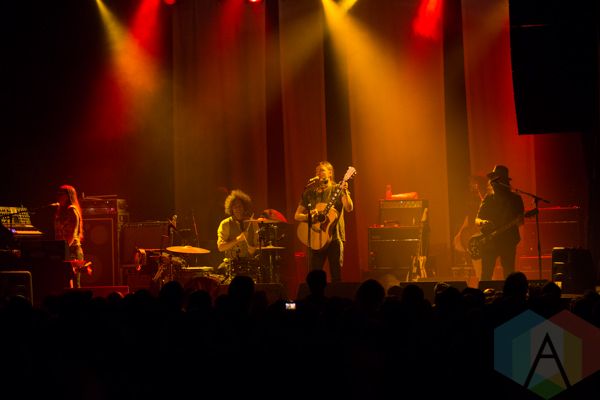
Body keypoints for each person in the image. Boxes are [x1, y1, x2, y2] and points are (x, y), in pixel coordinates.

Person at [294, 161, 353, 283]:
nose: (318, 173)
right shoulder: (310, 193)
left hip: (335, 238)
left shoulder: (337, 189)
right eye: (316, 171)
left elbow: (349, 208)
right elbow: (297, 216)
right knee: (314, 277)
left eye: (322, 170)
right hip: (316, 237)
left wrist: (344, 192)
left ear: (330, 173)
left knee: (335, 276)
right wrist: (310, 216)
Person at [475, 165, 524, 280]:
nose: (492, 182)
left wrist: (520, 221)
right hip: (490, 241)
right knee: (486, 274)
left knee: (509, 274)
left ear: (504, 182)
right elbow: (477, 219)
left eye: (496, 179)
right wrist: (483, 222)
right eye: (492, 179)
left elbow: (520, 222)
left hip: (508, 240)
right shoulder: (488, 198)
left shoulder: (515, 199)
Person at [216, 190, 257, 276]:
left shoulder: (253, 223)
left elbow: (261, 244)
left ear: (244, 206)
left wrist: (254, 248)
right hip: (231, 264)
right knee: (220, 270)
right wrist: (237, 239)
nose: (238, 208)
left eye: (240, 205)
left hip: (249, 263)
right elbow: (220, 247)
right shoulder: (225, 224)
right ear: (231, 208)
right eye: (235, 206)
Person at [55, 185, 84, 288]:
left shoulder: (72, 210)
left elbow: (73, 234)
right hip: (63, 251)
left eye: (61, 194)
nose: (58, 196)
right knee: (64, 283)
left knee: (74, 285)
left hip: (72, 251)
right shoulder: (61, 210)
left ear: (68, 196)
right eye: (58, 193)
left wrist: (64, 249)